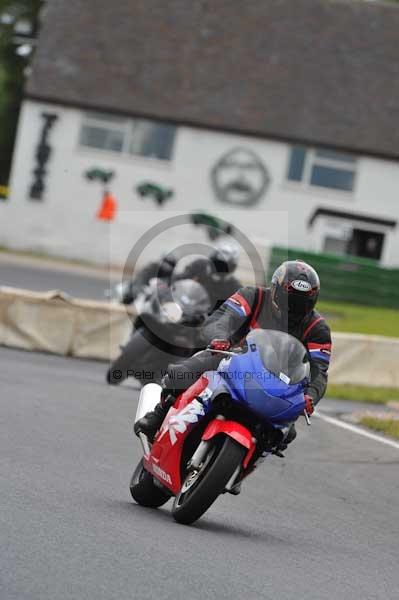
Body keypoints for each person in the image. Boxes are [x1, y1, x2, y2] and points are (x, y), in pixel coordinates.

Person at [134, 260, 332, 451]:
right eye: (288, 300)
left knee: (285, 433)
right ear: (275, 290)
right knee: (182, 373)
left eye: (301, 303)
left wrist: (311, 395)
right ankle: (159, 414)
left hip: (277, 382)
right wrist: (220, 338)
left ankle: (244, 466)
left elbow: (319, 369)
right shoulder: (252, 296)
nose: (293, 308)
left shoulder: (318, 328)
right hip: (230, 358)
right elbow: (222, 318)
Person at [173, 242, 242, 313]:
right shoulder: (199, 266)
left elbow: (237, 310)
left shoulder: (234, 288)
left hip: (207, 320)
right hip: (184, 305)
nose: (219, 267)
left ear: (231, 267)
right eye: (217, 263)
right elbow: (180, 278)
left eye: (224, 266)